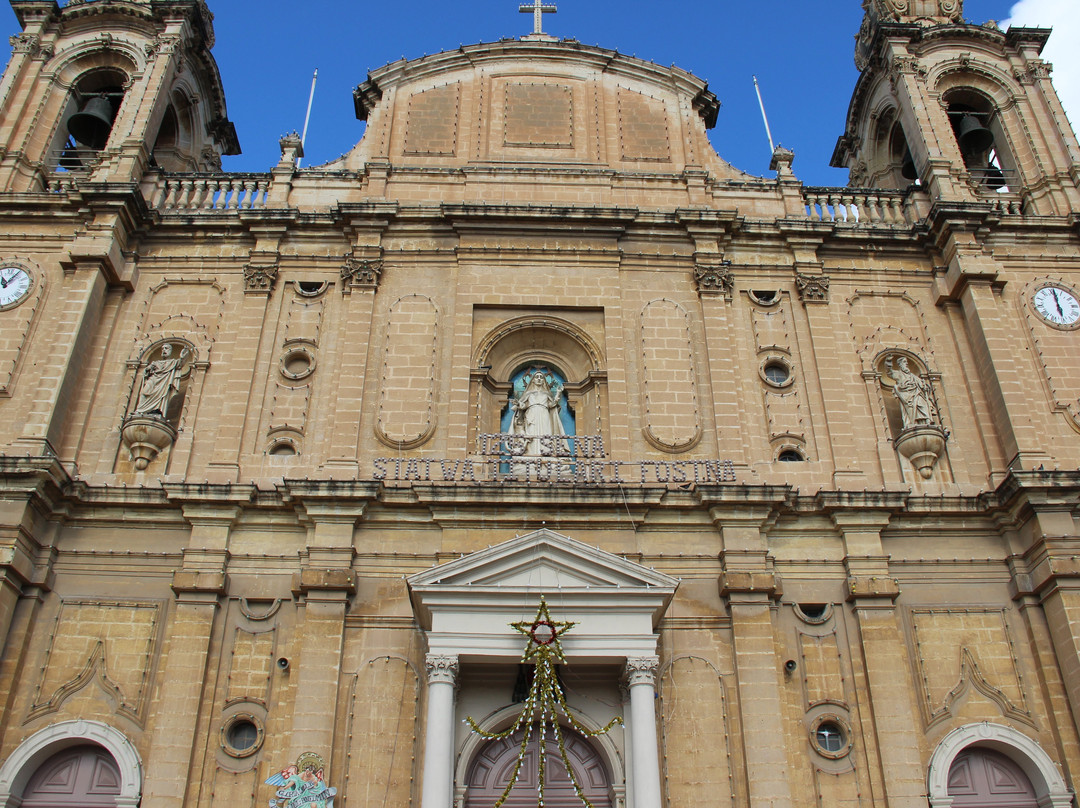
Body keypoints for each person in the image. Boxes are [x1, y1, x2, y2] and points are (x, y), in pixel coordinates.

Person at [509, 369, 565, 456]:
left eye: (541, 377)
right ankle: (531, 455)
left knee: (546, 433)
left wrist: (558, 393)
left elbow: (552, 405)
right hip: (531, 414)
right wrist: (518, 403)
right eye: (537, 377)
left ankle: (546, 453)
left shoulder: (546, 394)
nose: (539, 379)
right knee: (531, 434)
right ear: (533, 380)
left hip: (544, 414)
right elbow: (524, 406)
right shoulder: (529, 394)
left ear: (543, 380)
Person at [133, 342, 190, 418]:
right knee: (144, 392)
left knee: (161, 397)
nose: (164, 350)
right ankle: (140, 411)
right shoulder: (155, 363)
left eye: (166, 348)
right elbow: (147, 371)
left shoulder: (172, 362)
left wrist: (183, 355)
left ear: (170, 351)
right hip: (153, 380)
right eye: (163, 348)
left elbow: (181, 363)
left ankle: (156, 410)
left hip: (163, 383)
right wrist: (148, 370)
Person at [885, 355, 938, 428]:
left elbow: (922, 386)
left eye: (906, 362)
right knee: (911, 412)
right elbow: (889, 372)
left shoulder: (913, 376)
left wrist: (925, 387)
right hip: (907, 397)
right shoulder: (898, 374)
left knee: (923, 405)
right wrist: (888, 362)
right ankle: (913, 424)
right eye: (904, 362)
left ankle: (927, 422)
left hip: (918, 394)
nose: (906, 363)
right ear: (900, 364)